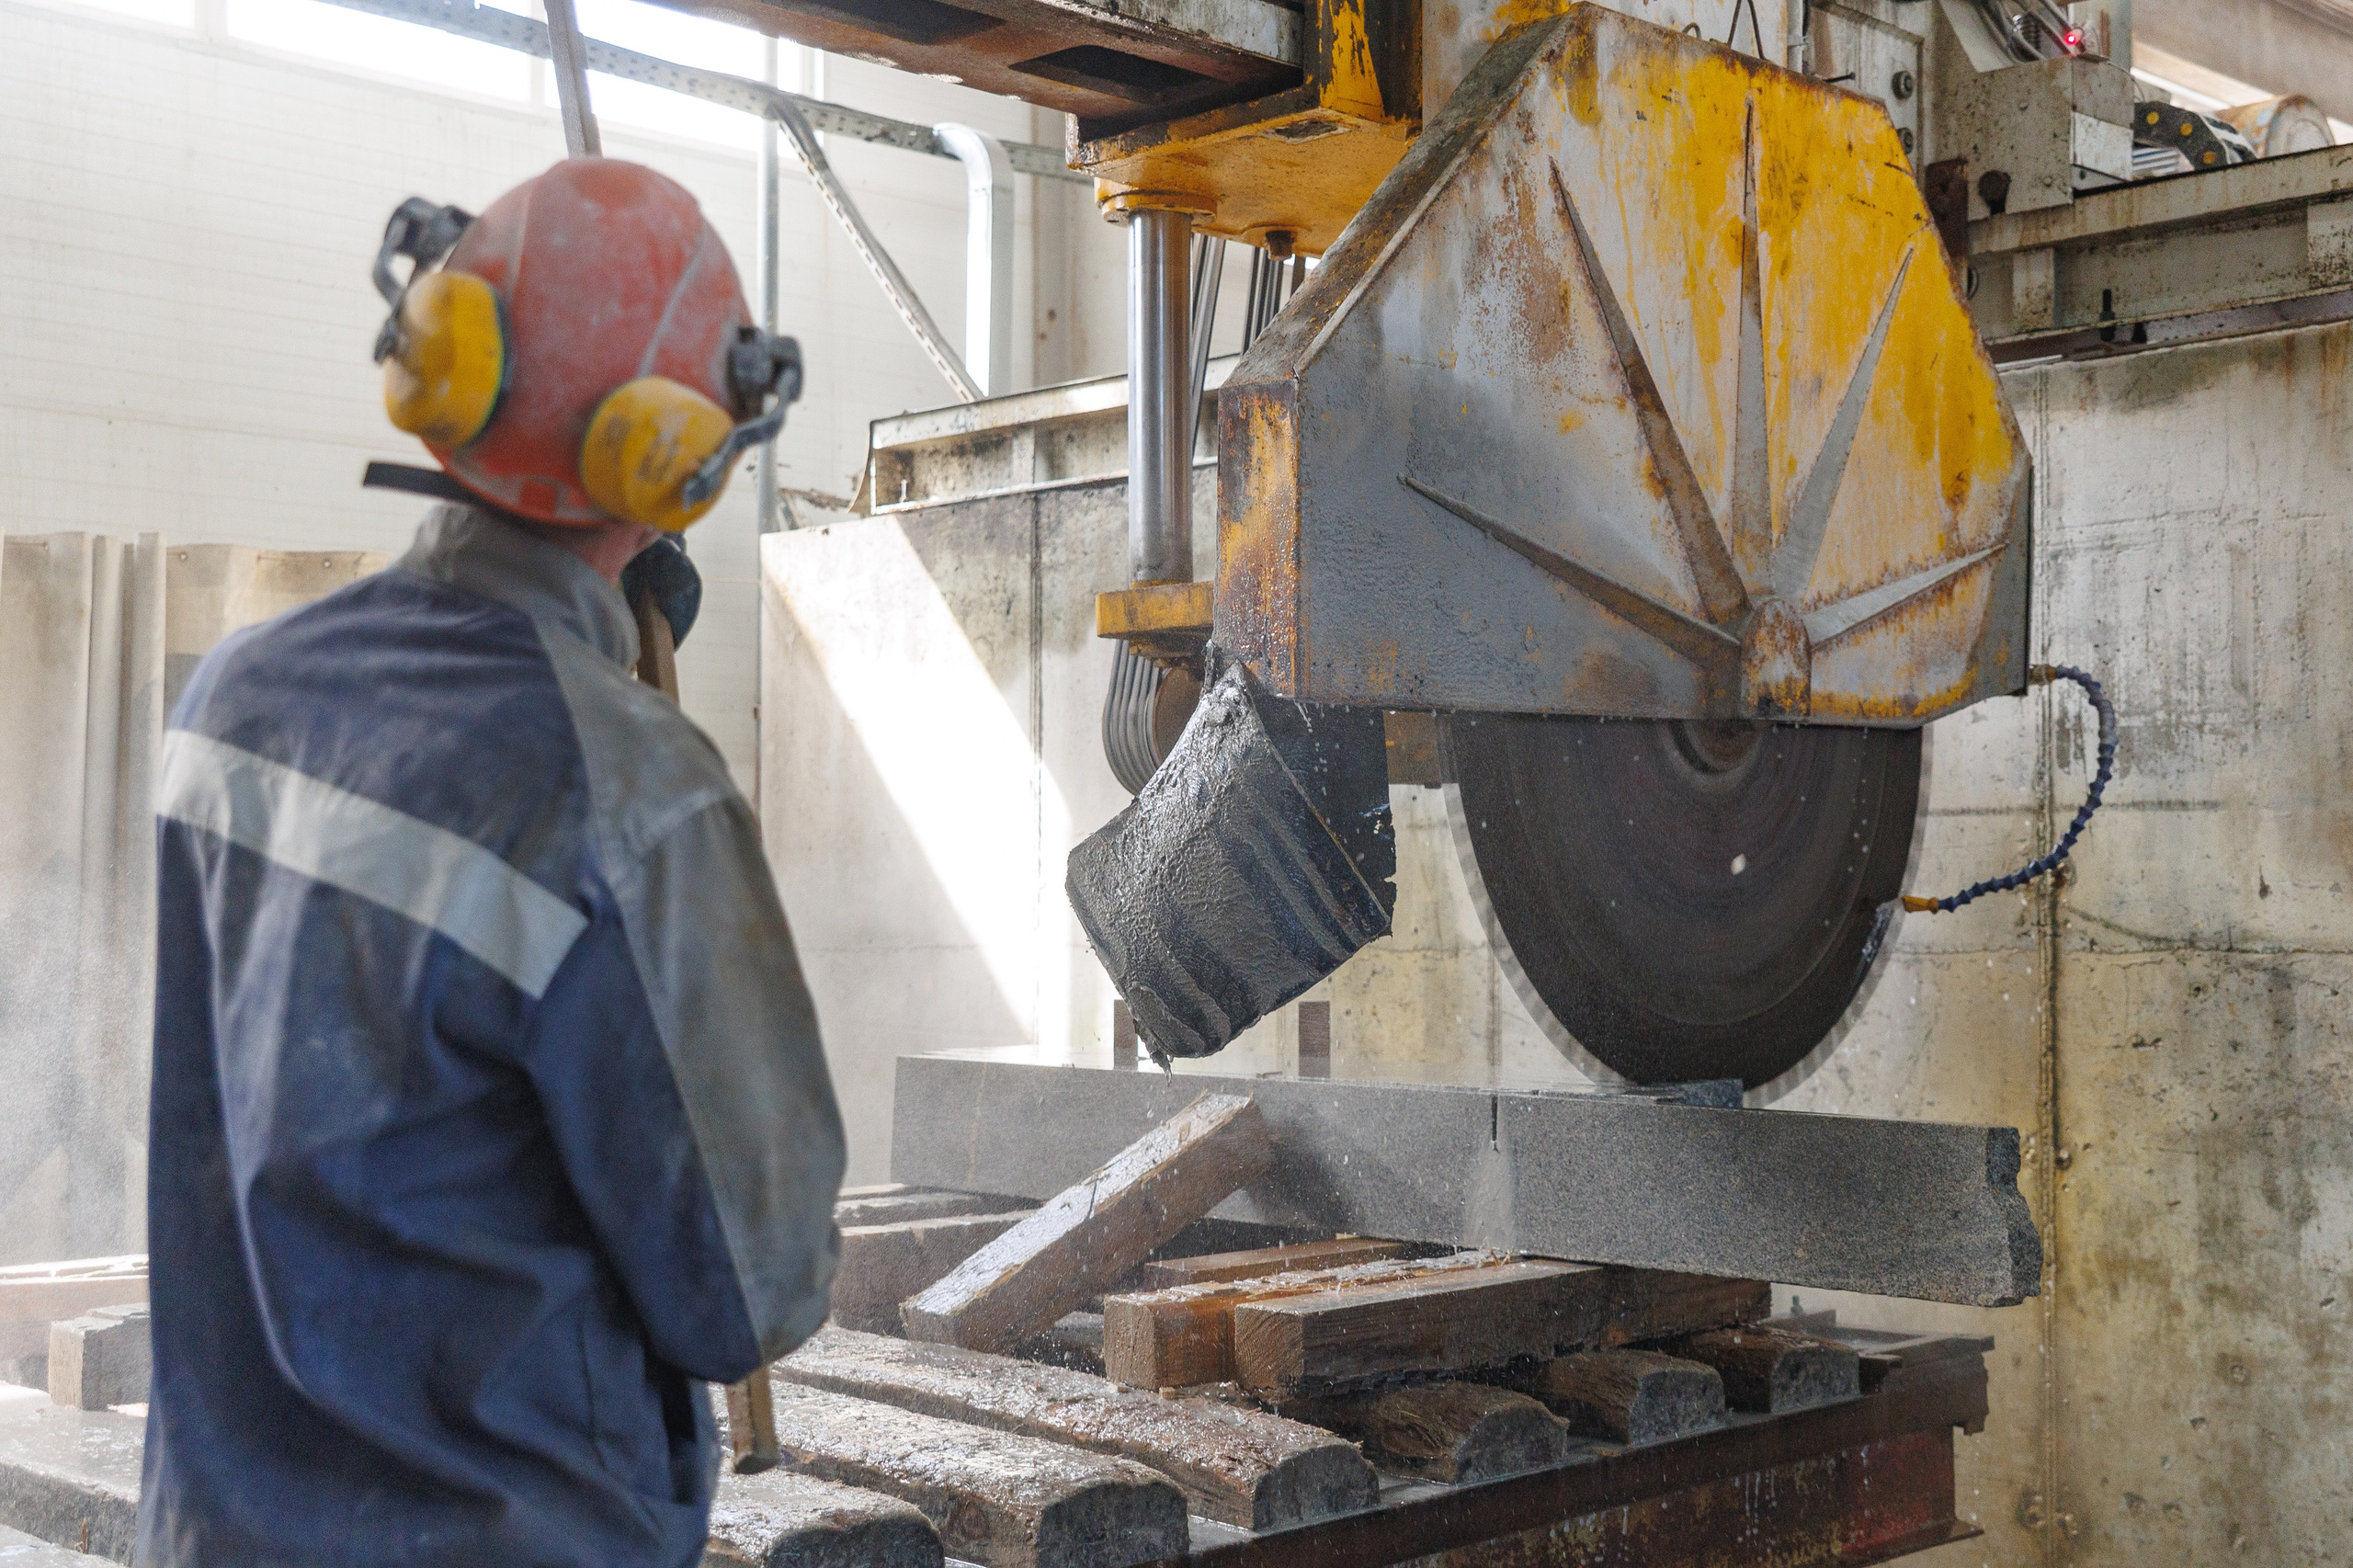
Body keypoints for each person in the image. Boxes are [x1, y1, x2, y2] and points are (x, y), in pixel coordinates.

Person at [138, 159, 843, 1568]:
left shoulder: (233, 698)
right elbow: (748, 1288)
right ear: (680, 456)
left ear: (444, 360)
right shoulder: (628, 789)